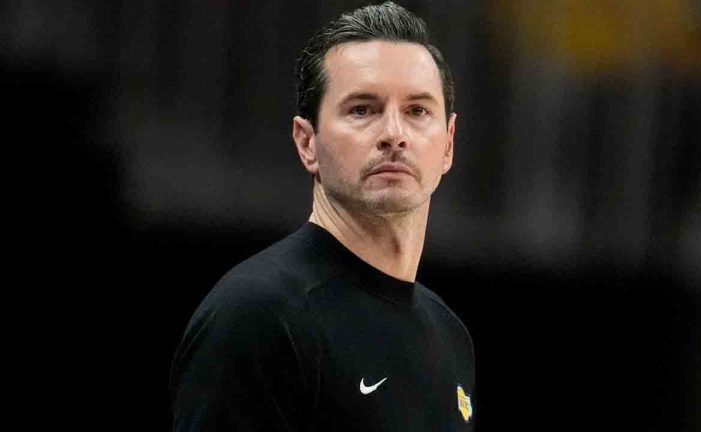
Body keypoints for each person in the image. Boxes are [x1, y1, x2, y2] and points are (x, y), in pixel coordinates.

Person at [169, 2, 475, 431]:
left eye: (418, 110)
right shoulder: (259, 315)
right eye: (362, 109)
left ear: (448, 144)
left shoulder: (449, 334)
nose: (394, 134)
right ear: (307, 142)